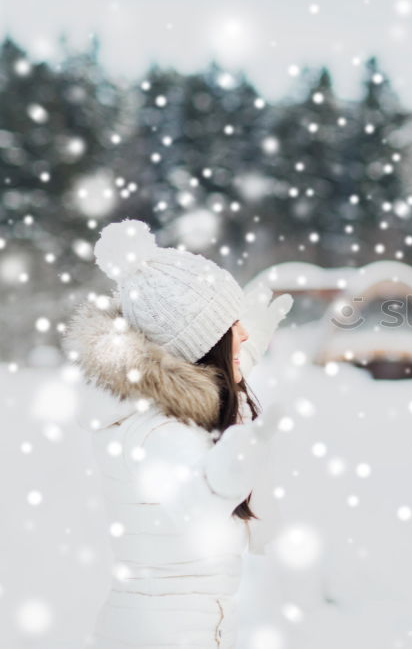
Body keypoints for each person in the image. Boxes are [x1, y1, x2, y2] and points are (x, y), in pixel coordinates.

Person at [65, 220, 292, 649]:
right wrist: (228, 471)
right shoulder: (160, 434)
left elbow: (200, 383)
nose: (244, 332)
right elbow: (197, 507)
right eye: (232, 326)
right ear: (200, 345)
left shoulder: (156, 412)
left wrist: (246, 351)